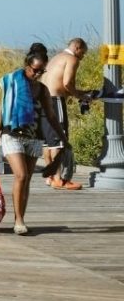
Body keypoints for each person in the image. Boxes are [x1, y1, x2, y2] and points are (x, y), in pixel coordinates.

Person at [0, 50, 66, 235]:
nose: (38, 74)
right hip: (12, 134)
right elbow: (2, 109)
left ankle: (20, 218)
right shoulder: (11, 82)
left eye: (42, 71)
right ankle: (19, 220)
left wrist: (63, 138)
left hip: (34, 137)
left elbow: (50, 115)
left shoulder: (41, 89)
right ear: (27, 66)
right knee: (21, 176)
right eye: (35, 70)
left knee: (27, 180)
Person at [39, 38, 91, 191]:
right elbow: (68, 83)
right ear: (77, 47)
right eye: (83, 52)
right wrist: (80, 96)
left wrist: (78, 93)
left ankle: (50, 176)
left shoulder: (56, 58)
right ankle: (59, 179)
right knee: (59, 140)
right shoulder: (72, 59)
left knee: (48, 142)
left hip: (42, 100)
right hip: (55, 101)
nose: (83, 56)